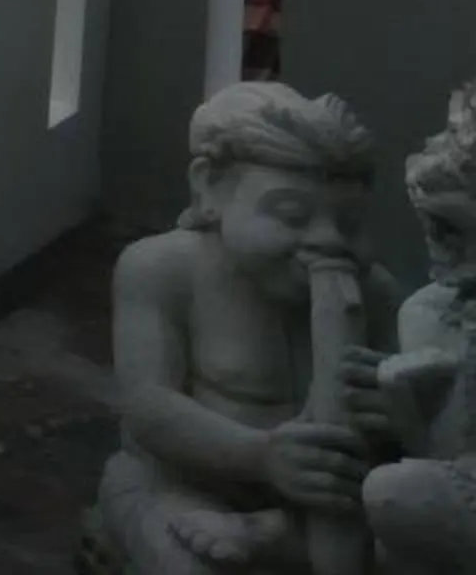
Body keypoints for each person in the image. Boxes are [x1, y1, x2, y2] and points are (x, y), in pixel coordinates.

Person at [90, 82, 406, 572]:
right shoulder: (163, 269)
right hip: (183, 484)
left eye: (347, 222)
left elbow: (401, 420)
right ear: (210, 187)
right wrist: (261, 457)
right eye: (291, 214)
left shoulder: (376, 294)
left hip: (318, 508)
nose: (326, 241)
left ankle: (273, 537)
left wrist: (393, 411)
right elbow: (148, 408)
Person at [365, 86, 476, 573]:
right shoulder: (429, 311)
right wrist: (404, 400)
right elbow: (435, 453)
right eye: (433, 227)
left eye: (452, 230)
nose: (440, 249)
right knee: (395, 503)